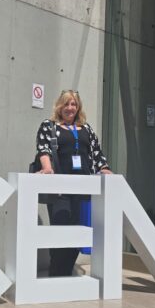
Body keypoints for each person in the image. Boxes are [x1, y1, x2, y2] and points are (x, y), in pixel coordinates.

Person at [35, 90, 112, 276]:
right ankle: (56, 274)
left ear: (78, 107)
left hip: (83, 191)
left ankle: (66, 272)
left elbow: (96, 153)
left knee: (78, 234)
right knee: (61, 231)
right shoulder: (49, 126)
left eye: (74, 104)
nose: (70, 108)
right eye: (66, 104)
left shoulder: (86, 129)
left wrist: (104, 168)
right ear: (59, 106)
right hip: (59, 191)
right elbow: (43, 149)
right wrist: (47, 168)